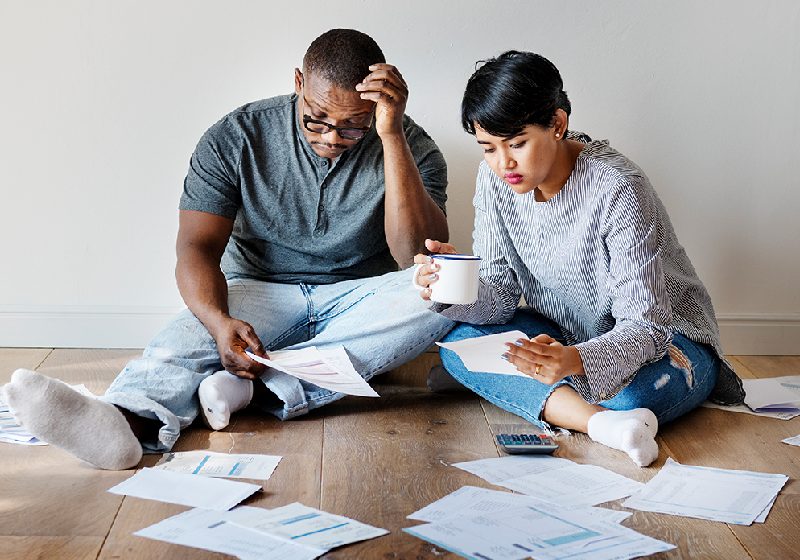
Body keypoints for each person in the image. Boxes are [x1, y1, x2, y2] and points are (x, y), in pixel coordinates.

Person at [3, 29, 454, 470]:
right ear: (298, 83)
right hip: (257, 290)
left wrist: (390, 137)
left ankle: (258, 390)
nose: (332, 137)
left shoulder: (412, 146)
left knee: (443, 293)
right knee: (183, 340)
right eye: (316, 118)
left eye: (353, 126)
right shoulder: (237, 135)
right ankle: (124, 421)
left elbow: (414, 256)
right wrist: (219, 321)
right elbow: (195, 247)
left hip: (360, 298)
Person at [415, 51, 745, 467]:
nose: (503, 164)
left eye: (517, 144)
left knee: (632, 395)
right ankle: (604, 424)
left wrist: (574, 360)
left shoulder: (618, 187)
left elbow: (648, 327)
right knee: (458, 343)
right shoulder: (495, 180)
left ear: (557, 124)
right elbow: (500, 296)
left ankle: (545, 397)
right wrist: (447, 287)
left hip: (669, 343)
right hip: (569, 335)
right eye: (488, 149)